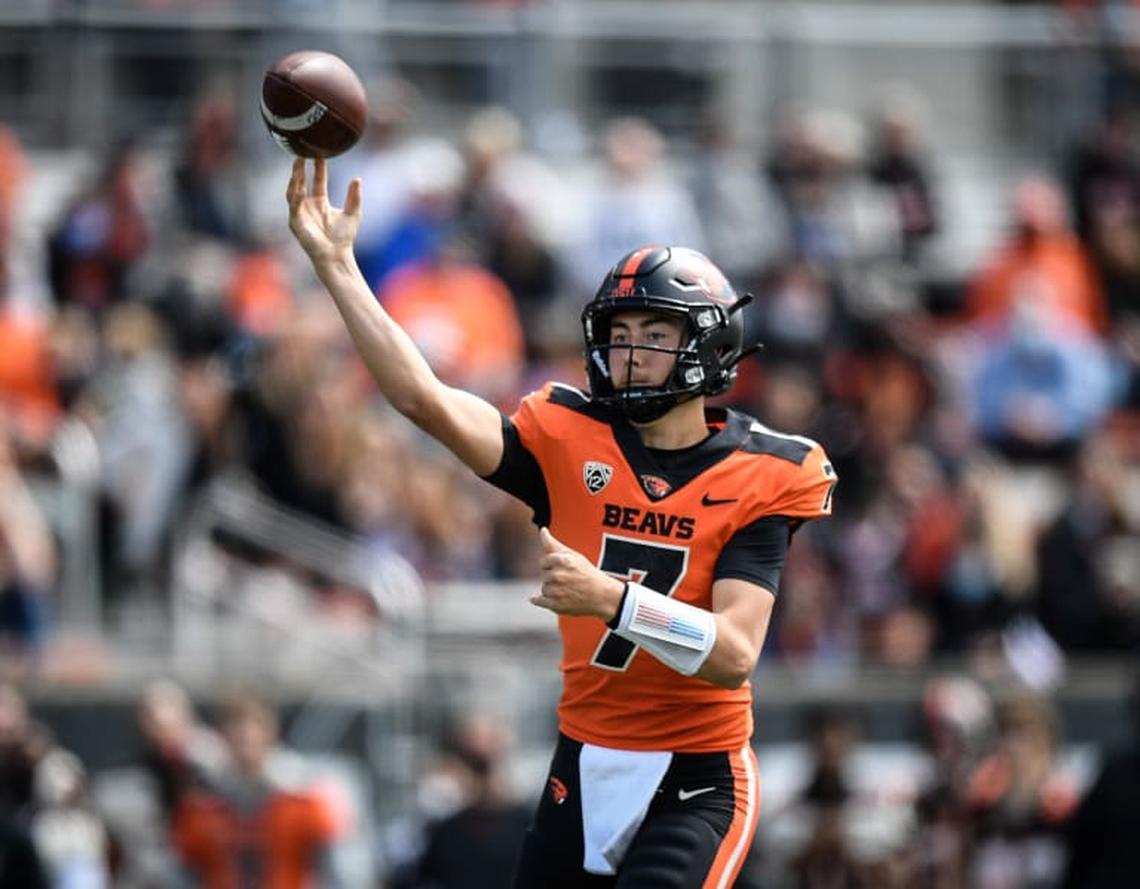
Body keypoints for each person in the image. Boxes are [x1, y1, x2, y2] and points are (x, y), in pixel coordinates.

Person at [287, 158, 837, 888]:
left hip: (696, 778)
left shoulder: (763, 472)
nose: (631, 350)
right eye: (622, 330)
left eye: (655, 332)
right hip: (581, 763)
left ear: (707, 345)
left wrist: (608, 597)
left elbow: (735, 652)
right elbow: (424, 398)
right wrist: (338, 269)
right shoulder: (567, 436)